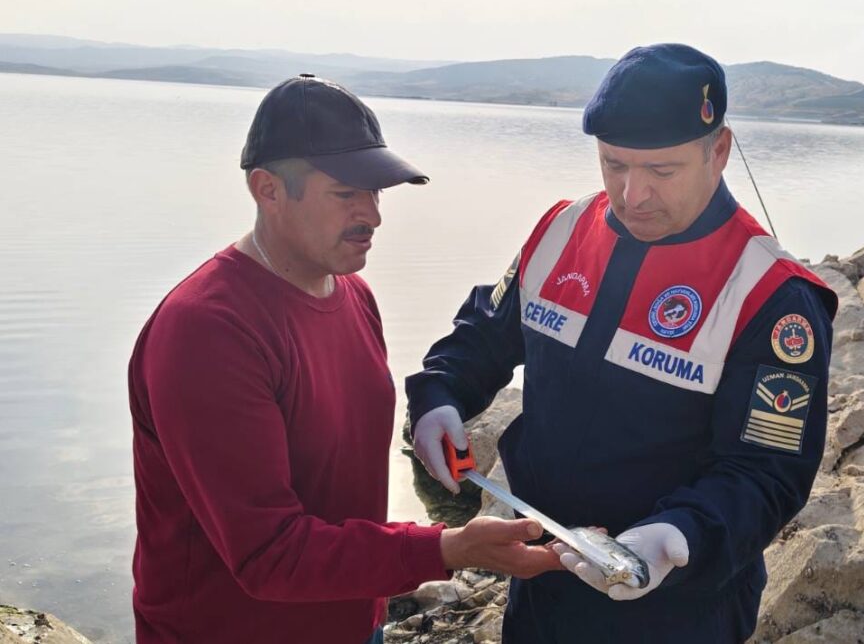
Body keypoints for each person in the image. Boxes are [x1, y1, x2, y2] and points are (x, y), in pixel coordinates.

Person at [408, 44, 838, 642]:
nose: (633, 195)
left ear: (719, 150)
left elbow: (767, 474)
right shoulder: (562, 229)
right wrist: (440, 395)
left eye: (661, 172)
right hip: (543, 575)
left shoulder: (772, 296)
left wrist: (676, 538)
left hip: (678, 603)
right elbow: (485, 332)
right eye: (614, 165)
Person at [128, 74, 559, 644]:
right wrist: (446, 547)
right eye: (346, 193)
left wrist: (435, 414)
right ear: (268, 189)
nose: (373, 215)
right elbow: (268, 554)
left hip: (354, 621)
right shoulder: (208, 329)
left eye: (377, 191)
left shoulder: (353, 294)